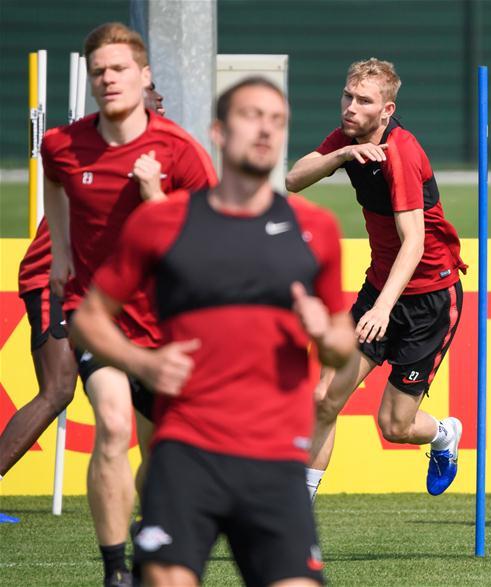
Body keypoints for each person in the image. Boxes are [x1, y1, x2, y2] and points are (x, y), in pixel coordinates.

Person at [71, 76, 355, 587]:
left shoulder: (316, 228)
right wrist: (143, 362)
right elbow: (87, 319)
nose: (265, 129)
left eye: (276, 120)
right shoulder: (162, 222)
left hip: (275, 459)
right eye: (251, 116)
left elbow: (342, 350)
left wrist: (326, 333)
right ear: (219, 132)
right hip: (187, 451)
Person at [42, 22, 216, 586]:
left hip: (166, 326)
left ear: (144, 76)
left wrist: (156, 197)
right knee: (114, 426)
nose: (108, 79)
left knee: (163, 462)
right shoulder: (62, 145)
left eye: (119, 69)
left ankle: (148, 532)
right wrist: (60, 255)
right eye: (99, 71)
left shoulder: (180, 151)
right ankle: (115, 572)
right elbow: (55, 183)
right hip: (98, 318)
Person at [285, 58, 467, 499]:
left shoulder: (399, 154)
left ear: (387, 111)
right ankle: (299, 510)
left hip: (429, 299)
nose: (350, 107)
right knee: (324, 398)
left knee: (394, 425)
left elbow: (414, 243)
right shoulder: (348, 138)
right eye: (348, 96)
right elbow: (292, 179)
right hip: (380, 288)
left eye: (364, 101)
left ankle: (444, 434)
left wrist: (384, 308)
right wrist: (340, 155)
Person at [0, 72, 169, 486]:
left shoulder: (152, 155)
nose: (161, 98)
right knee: (58, 389)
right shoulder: (111, 155)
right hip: (53, 279)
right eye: (152, 92)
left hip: (93, 288)